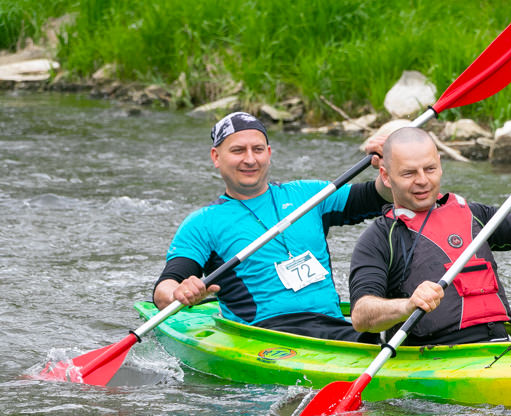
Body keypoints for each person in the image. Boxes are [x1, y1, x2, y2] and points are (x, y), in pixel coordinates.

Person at [153, 111, 391, 342]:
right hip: (266, 335)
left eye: (257, 149)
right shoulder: (203, 223)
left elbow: (383, 195)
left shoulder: (311, 195)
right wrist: (179, 293)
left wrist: (390, 164)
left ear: (268, 153)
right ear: (216, 157)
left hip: (333, 328)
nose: (250, 159)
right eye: (238, 150)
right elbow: (164, 290)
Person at [349, 127, 511, 346]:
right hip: (431, 356)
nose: (422, 180)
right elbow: (361, 315)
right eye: (409, 173)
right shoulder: (380, 237)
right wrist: (407, 306)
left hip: (497, 347)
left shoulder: (475, 216)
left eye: (429, 169)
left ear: (440, 165)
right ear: (386, 177)